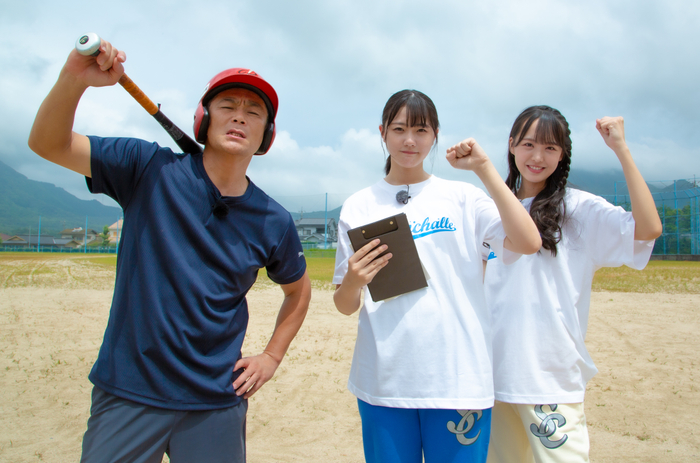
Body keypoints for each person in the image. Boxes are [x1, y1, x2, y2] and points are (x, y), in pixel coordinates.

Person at [27, 37, 311, 462]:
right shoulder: (147, 168)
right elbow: (48, 144)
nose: (239, 117)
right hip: (129, 390)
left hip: (216, 399)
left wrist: (271, 356)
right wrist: (74, 80)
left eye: (254, 112)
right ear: (203, 119)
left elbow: (299, 290)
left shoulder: (273, 218)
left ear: (266, 135)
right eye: (227, 106)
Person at [332, 89, 542, 463]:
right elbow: (345, 305)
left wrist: (484, 170)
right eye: (398, 129)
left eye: (421, 130)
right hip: (384, 381)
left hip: (457, 380)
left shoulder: (462, 197)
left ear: (435, 134)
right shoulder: (359, 205)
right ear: (382, 133)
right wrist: (353, 281)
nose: (409, 140)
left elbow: (527, 241)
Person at [484, 106, 662, 463]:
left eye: (551, 148)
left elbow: (648, 230)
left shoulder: (579, 209)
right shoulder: (489, 211)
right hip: (491, 379)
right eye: (529, 144)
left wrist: (621, 150)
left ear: (562, 155)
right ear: (512, 145)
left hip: (550, 378)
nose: (537, 156)